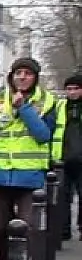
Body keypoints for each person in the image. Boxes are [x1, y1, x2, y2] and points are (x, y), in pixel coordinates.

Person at [0, 58, 62, 260]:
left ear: (35, 78)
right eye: (18, 73)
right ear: (11, 76)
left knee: (27, 227)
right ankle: (5, 259)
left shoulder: (47, 102)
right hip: (0, 175)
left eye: (27, 73)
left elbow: (43, 135)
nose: (22, 77)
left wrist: (24, 108)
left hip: (30, 177)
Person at [59, 73, 82, 240]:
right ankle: (63, 229)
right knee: (62, 196)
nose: (72, 92)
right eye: (69, 89)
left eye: (76, 88)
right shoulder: (61, 107)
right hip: (63, 158)